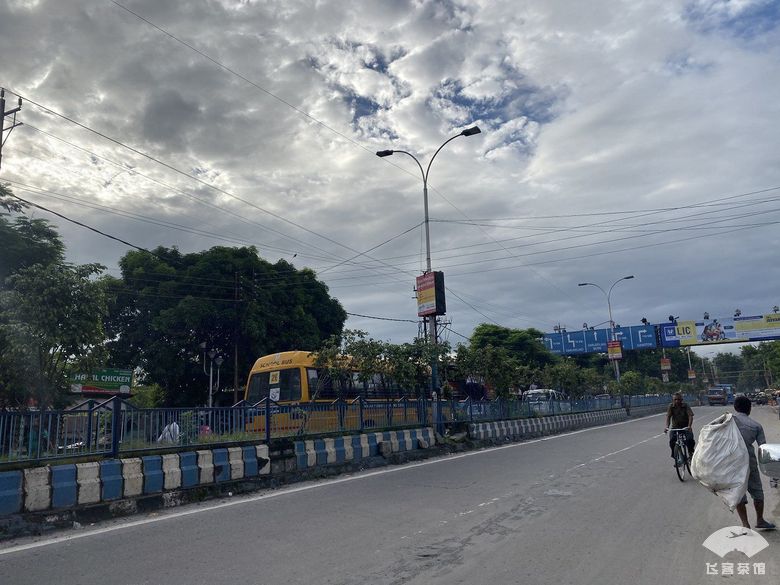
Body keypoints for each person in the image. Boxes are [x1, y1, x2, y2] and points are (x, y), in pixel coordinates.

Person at [732, 395, 776, 529]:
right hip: (749, 462)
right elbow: (763, 448)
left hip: (732, 463)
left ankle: (745, 524)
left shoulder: (727, 422)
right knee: (757, 492)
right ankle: (760, 520)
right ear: (749, 409)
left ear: (735, 407)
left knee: (738, 493)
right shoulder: (756, 426)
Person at [664, 392, 695, 461]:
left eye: (678, 399)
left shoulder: (686, 406)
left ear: (682, 400)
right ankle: (675, 455)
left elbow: (690, 416)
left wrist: (689, 426)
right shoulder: (671, 406)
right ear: (673, 400)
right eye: (675, 399)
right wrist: (667, 426)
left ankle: (690, 453)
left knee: (690, 440)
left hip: (685, 427)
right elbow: (668, 417)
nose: (677, 401)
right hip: (675, 428)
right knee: (672, 441)